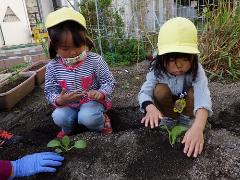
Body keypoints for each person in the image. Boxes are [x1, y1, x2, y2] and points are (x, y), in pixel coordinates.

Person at [138, 17, 212, 158]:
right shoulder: (156, 68)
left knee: (193, 93)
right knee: (159, 90)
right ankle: (170, 118)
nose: (179, 66)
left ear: (192, 57)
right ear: (161, 58)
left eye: (185, 59)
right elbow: (144, 92)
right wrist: (150, 107)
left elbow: (203, 94)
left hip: (186, 103)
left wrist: (198, 127)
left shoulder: (197, 68)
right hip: (168, 104)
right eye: (171, 59)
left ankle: (187, 119)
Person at [44, 7, 116, 138]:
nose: (73, 52)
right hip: (68, 105)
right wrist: (60, 100)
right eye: (66, 49)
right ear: (55, 46)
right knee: (59, 116)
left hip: (91, 103)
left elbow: (109, 81)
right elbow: (49, 91)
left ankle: (100, 124)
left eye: (78, 46)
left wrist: (100, 93)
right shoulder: (52, 67)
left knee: (88, 117)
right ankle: (69, 129)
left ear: (84, 40)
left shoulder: (95, 60)